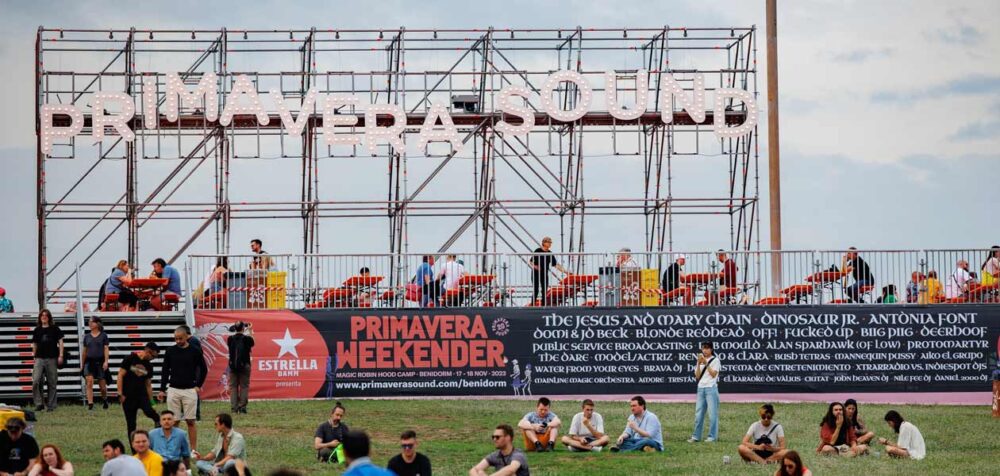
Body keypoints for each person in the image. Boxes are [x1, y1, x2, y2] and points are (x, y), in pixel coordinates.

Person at [158, 326, 208, 450]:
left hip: (190, 390)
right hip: (173, 389)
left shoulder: (195, 350)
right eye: (176, 339)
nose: (178, 341)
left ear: (186, 337)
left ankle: (193, 449)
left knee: (190, 421)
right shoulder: (170, 351)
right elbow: (165, 371)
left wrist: (198, 385)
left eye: (180, 338)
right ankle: (174, 448)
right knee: (174, 422)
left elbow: (204, 369)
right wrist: (162, 389)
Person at [118, 341, 161, 439]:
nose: (153, 359)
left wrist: (152, 401)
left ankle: (158, 422)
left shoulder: (149, 366)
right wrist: (120, 393)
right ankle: (133, 447)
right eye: (153, 356)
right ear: (148, 351)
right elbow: (120, 375)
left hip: (142, 395)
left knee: (149, 411)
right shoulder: (130, 359)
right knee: (131, 424)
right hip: (128, 396)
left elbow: (148, 385)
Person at [31, 309, 64, 412]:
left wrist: (61, 355)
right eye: (42, 315)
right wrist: (34, 357)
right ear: (40, 317)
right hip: (39, 358)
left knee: (52, 382)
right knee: (36, 381)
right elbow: (34, 344)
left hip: (52, 358)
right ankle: (39, 403)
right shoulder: (37, 330)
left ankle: (51, 406)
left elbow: (61, 342)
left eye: (46, 315)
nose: (44, 317)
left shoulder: (55, 329)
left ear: (49, 317)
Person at [689, 341, 721, 443]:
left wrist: (706, 363)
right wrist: (699, 364)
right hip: (701, 388)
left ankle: (712, 437)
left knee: (712, 414)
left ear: (711, 349)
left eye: (707, 348)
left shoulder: (715, 360)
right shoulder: (700, 360)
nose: (705, 350)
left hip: (711, 388)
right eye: (703, 348)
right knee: (698, 414)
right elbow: (697, 376)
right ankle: (696, 436)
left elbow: (713, 374)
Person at [82, 316, 111, 411]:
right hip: (89, 362)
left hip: (100, 362)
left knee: (102, 387)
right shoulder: (86, 336)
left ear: (98, 324)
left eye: (92, 322)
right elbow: (84, 351)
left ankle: (105, 400)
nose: (90, 324)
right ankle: (90, 404)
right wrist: (82, 364)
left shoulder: (103, 335)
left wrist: (106, 361)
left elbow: (106, 349)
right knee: (89, 382)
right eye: (89, 322)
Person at [530, 237, 568, 306]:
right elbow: (531, 261)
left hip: (544, 273)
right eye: (549, 242)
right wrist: (535, 266)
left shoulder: (550, 253)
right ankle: (533, 305)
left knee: (544, 289)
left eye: (550, 242)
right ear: (544, 243)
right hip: (536, 272)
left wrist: (565, 271)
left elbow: (555, 264)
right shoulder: (538, 250)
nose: (550, 244)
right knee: (536, 289)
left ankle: (543, 305)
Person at [226, 322, 254, 414]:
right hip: (245, 365)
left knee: (233, 387)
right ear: (243, 328)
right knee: (244, 386)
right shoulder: (246, 339)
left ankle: (234, 408)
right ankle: (242, 408)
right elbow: (252, 342)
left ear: (235, 328)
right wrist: (249, 330)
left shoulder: (230, 339)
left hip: (233, 366)